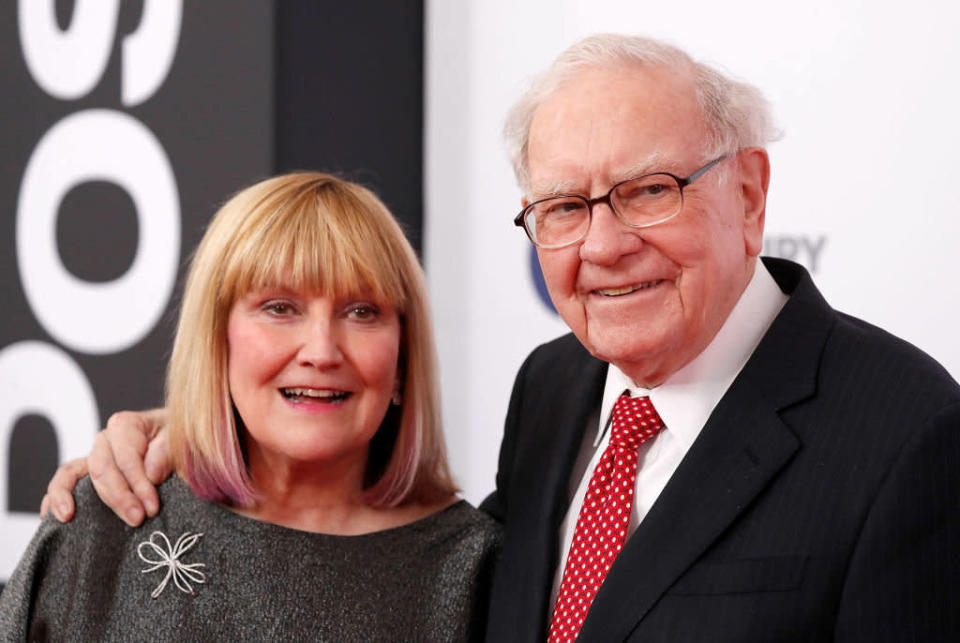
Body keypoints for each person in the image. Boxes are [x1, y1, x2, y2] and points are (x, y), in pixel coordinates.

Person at [40, 34, 960, 642]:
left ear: (750, 195)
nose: (605, 244)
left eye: (650, 189)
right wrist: (192, 428)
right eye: (564, 207)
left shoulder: (909, 435)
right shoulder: (556, 386)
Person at [0, 172, 500, 641]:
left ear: (403, 360)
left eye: (362, 312)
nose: (322, 352)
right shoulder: (104, 523)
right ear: (216, 341)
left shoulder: (476, 568)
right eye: (280, 308)